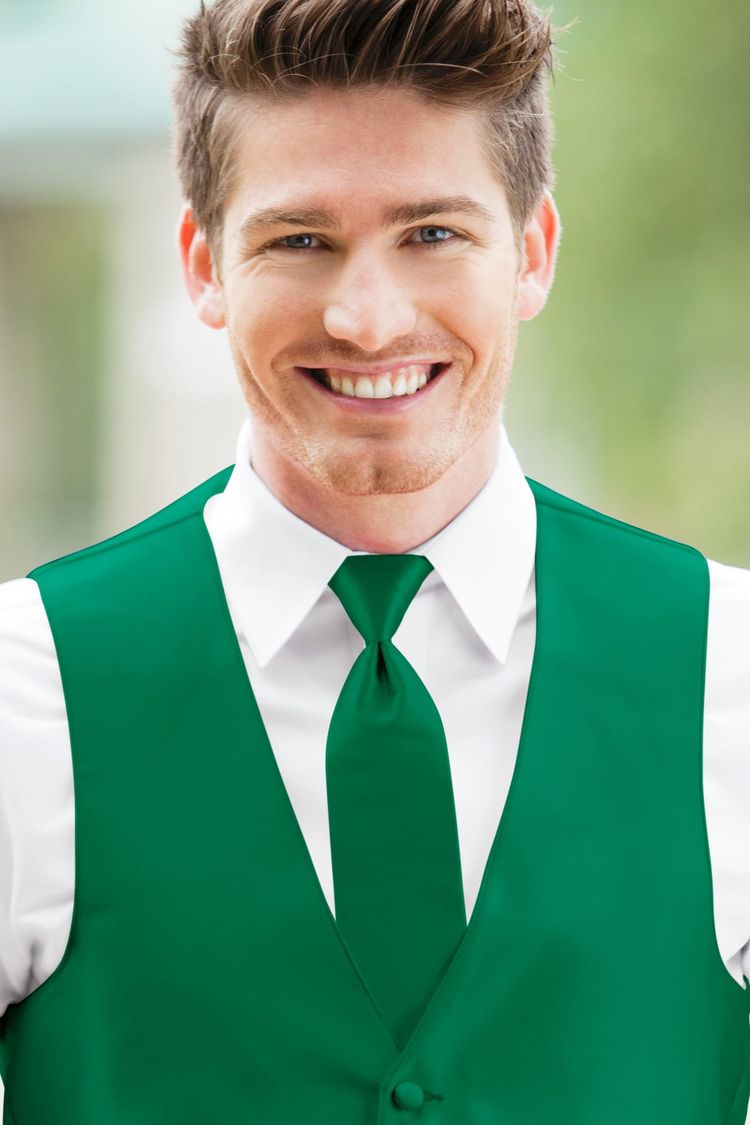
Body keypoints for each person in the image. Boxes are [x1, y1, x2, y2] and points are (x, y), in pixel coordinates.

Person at [0, 0, 748, 1120]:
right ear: (204, 265)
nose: (366, 319)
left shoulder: (731, 669)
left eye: (432, 234)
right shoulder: (24, 692)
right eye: (300, 240)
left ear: (533, 251)